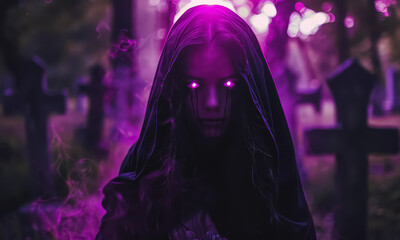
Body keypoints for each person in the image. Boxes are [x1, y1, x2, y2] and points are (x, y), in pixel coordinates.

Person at [96, 4, 316, 240]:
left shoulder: (270, 169)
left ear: (246, 89)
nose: (212, 102)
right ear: (176, 87)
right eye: (194, 85)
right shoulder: (145, 168)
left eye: (227, 85)